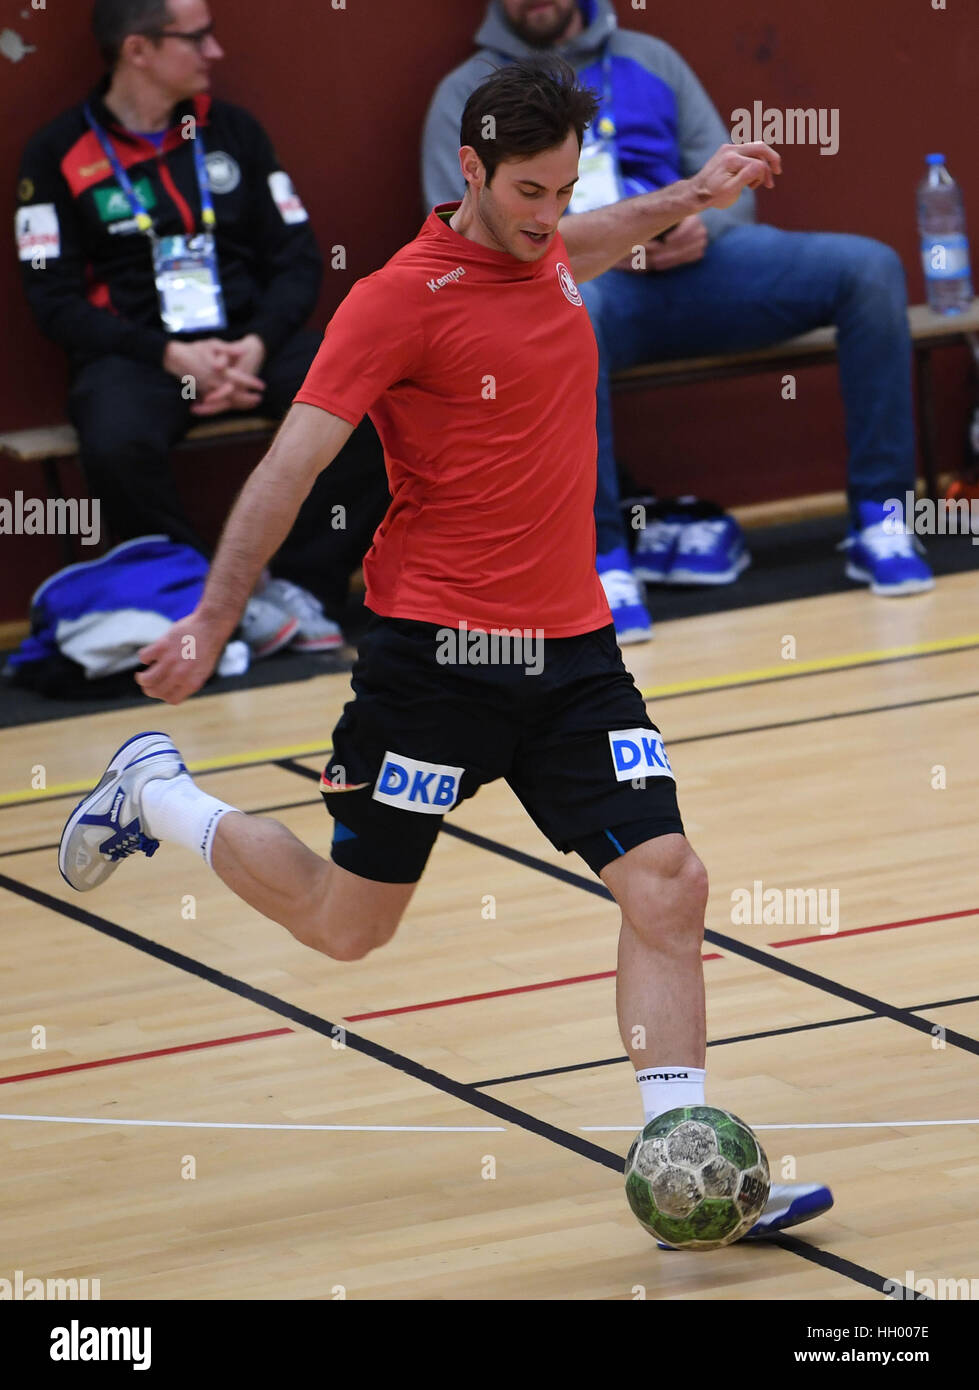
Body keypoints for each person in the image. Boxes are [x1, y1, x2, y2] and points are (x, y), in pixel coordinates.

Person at [59, 59, 832, 1240]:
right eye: (527, 192)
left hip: (573, 656)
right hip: (436, 665)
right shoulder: (395, 301)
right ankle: (158, 795)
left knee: (667, 882)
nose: (547, 217)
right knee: (345, 926)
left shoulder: (552, 244)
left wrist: (695, 192)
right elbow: (287, 467)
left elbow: (595, 234)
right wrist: (216, 617)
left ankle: (686, 1161)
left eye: (562, 189)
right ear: (467, 172)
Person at [422, 0, 934, 645]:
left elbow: (733, 187)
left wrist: (701, 222)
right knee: (569, 307)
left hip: (701, 269)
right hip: (585, 288)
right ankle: (601, 563)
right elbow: (464, 238)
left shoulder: (651, 58)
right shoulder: (466, 94)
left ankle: (881, 521)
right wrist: (602, 244)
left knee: (869, 269)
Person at [15, 0, 389, 657]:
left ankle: (300, 588)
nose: (214, 51)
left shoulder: (233, 131)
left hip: (250, 343)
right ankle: (198, 603)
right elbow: (54, 301)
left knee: (377, 402)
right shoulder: (54, 155)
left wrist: (257, 343)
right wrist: (169, 356)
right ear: (139, 50)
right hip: (139, 357)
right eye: (197, 37)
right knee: (114, 437)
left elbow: (298, 258)